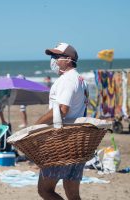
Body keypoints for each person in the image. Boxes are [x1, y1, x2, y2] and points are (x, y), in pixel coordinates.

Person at [35, 42, 89, 200]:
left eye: (56, 56)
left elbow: (62, 110)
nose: (53, 60)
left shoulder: (67, 79)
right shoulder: (81, 80)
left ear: (68, 59)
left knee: (45, 190)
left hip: (62, 142)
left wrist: (37, 124)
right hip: (77, 141)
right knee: (72, 194)